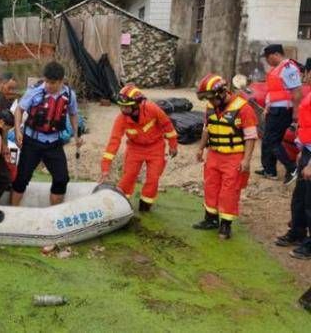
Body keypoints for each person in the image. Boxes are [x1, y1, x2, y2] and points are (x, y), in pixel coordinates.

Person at [193, 74, 258, 240]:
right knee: (211, 186)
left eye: (211, 98)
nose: (210, 102)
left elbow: (250, 137)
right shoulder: (210, 107)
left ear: (222, 93)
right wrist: (200, 149)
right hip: (214, 154)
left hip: (234, 156)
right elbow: (207, 129)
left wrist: (246, 160)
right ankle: (211, 219)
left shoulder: (244, 109)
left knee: (229, 191)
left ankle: (225, 225)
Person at [12, 62, 82, 206]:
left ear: (61, 81)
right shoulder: (35, 91)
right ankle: (13, 210)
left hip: (54, 143)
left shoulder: (69, 95)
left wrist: (77, 134)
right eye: (47, 81)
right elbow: (19, 109)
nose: (49, 85)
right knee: (22, 178)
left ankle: (53, 214)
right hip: (32, 142)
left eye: (53, 83)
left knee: (62, 179)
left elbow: (73, 114)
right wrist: (18, 130)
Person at [98, 85, 178, 212]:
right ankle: (121, 201)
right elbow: (114, 142)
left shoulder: (152, 109)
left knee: (153, 178)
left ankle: (145, 205)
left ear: (136, 105)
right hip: (135, 149)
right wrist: (105, 167)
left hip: (156, 148)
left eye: (126, 106)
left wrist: (173, 145)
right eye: (121, 106)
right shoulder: (121, 119)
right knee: (129, 175)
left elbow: (167, 125)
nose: (123, 109)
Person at [255, 44, 302, 185]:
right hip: (274, 109)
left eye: (268, 58)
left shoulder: (288, 69)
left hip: (282, 111)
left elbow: (297, 92)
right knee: (267, 139)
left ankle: (292, 168)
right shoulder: (276, 70)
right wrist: (267, 107)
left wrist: (296, 112)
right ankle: (269, 170)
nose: (267, 61)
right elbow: (275, 92)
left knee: (272, 141)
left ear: (276, 54)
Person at [275, 90, 311, 259]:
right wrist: (302, 150)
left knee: (310, 203)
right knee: (300, 198)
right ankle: (298, 232)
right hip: (307, 151)